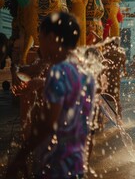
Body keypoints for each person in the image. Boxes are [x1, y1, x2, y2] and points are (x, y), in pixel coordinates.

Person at [6, 12, 95, 178]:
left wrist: (20, 157)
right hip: (75, 164)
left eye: (41, 38)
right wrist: (40, 83)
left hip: (54, 165)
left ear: (52, 37)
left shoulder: (57, 71)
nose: (40, 46)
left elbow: (48, 123)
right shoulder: (85, 72)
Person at [103, 37, 126, 119]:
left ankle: (106, 118)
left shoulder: (105, 53)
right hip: (116, 77)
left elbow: (102, 65)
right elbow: (124, 70)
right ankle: (119, 117)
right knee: (116, 98)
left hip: (107, 77)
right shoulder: (121, 53)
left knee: (105, 97)